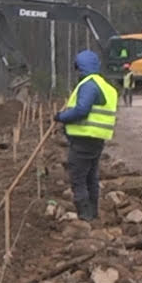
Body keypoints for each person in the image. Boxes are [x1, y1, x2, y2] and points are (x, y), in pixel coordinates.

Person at [52, 49, 119, 221]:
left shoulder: (89, 85)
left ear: (82, 67)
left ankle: (85, 216)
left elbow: (82, 110)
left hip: (83, 139)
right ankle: (92, 214)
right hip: (96, 139)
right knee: (91, 177)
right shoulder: (104, 85)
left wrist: (61, 117)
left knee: (78, 178)